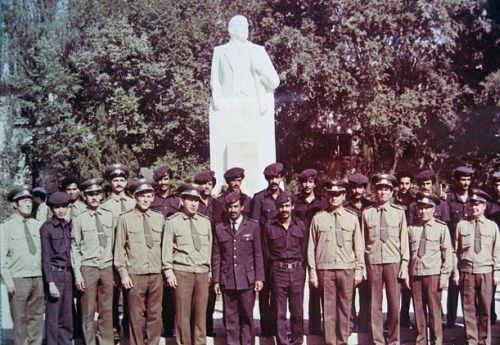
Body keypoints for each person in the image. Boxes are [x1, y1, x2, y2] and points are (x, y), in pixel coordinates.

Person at [209, 15, 280, 196]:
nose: (244, 28)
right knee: (230, 145)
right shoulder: (220, 51)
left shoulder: (258, 51)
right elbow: (214, 80)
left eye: (246, 25)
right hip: (229, 107)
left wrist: (259, 70)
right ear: (230, 29)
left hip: (252, 107)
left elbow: (274, 81)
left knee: (253, 146)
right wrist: (217, 99)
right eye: (239, 25)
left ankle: (257, 189)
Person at [308, 180, 364, 344]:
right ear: (326, 195)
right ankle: (331, 342)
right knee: (329, 309)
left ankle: (342, 341)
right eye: (331, 194)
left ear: (344, 196)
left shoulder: (352, 218)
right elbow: (311, 248)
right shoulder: (319, 218)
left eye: (337, 194)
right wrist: (313, 273)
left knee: (345, 308)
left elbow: (358, 247)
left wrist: (359, 271)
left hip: (346, 268)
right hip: (325, 269)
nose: (334, 197)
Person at [114, 179, 165, 345]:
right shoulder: (125, 219)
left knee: (155, 313)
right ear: (135, 197)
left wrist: (165, 272)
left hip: (156, 273)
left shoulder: (159, 218)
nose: (145, 199)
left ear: (153, 198)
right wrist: (123, 274)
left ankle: (152, 343)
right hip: (135, 274)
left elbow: (165, 247)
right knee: (135, 315)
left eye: (149, 196)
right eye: (141, 196)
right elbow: (119, 249)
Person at [362, 173, 409, 345]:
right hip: (373, 261)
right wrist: (362, 266)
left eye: (386, 189)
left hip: (393, 261)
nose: (382, 193)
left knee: (394, 303)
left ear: (391, 193)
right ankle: (377, 341)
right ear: (374, 191)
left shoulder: (399, 212)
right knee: (375, 304)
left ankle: (394, 339)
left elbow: (404, 240)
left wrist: (404, 264)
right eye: (380, 189)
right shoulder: (367, 213)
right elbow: (362, 240)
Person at [212, 191, 264, 345]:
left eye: (236, 206)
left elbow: (258, 254)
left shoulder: (253, 226)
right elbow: (217, 256)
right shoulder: (220, 228)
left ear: (242, 207)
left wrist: (259, 278)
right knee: (230, 318)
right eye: (229, 207)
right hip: (227, 279)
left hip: (247, 280)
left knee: (247, 318)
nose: (233, 210)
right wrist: (216, 280)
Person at [163, 184, 212, 345]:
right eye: (190, 200)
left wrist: (209, 270)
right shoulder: (172, 222)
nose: (193, 204)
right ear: (182, 200)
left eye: (196, 200)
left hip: (202, 273)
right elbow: (167, 249)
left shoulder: (205, 222)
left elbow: (209, 247)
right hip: (182, 272)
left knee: (200, 315)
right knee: (183, 315)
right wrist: (169, 272)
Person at [71, 178, 115, 345]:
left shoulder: (109, 216)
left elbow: (115, 243)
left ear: (102, 195)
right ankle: (88, 342)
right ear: (84, 197)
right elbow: (74, 247)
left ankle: (106, 342)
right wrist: (78, 274)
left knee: (107, 310)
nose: (94, 197)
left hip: (106, 267)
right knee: (88, 311)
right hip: (88, 268)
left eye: (97, 194)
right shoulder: (79, 218)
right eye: (90, 194)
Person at [453, 189, 500, 345]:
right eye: (472, 204)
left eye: (478, 205)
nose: (474, 207)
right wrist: (455, 273)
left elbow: (497, 251)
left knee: (485, 309)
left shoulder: (492, 227)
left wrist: (497, 273)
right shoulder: (462, 225)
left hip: (486, 271)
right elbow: (455, 251)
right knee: (469, 309)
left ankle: (484, 339)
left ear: (484, 206)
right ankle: (471, 340)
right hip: (467, 272)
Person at [408, 192, 453, 345]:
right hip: (415, 273)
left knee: (435, 310)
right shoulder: (411, 228)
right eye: (421, 207)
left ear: (434, 209)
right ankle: (420, 340)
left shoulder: (441, 228)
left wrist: (445, 276)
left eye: (427, 208)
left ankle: (436, 340)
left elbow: (448, 252)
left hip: (433, 274)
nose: (423, 211)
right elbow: (406, 253)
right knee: (418, 310)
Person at [0, 186, 44, 345]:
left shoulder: (37, 225)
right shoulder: (6, 227)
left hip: (37, 277)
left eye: (30, 202)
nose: (28, 205)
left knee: (37, 317)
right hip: (18, 278)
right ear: (15, 205)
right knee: (20, 318)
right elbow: (2, 257)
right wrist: (8, 281)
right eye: (24, 202)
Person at [263, 191, 308, 345]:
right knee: (279, 312)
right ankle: (282, 342)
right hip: (278, 271)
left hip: (296, 271)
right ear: (277, 207)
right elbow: (266, 251)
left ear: (293, 206)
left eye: (287, 206)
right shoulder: (270, 226)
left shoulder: (301, 225)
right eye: (281, 206)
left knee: (297, 311)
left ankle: (296, 341)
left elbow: (304, 249)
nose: (284, 209)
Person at [101, 163, 135, 340]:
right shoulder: (105, 206)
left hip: (130, 256)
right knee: (112, 295)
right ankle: (113, 328)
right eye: (115, 180)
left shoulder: (133, 202)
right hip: (112, 255)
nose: (119, 184)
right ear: (110, 183)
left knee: (131, 294)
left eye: (122, 180)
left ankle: (128, 326)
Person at [250, 162, 284, 337]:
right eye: (270, 178)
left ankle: (280, 328)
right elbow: (255, 227)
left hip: (281, 253)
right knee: (264, 293)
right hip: (264, 253)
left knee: (280, 293)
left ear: (281, 178)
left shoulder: (287, 198)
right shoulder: (259, 199)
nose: (274, 181)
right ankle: (266, 329)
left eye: (276, 177)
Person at [293, 168, 326, 335]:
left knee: (316, 287)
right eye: (304, 182)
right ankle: (296, 327)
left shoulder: (323, 202)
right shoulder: (295, 202)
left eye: (310, 182)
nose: (307, 185)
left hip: (318, 248)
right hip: (298, 249)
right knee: (297, 289)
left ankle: (315, 326)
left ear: (315, 183)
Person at [150, 165, 180, 337]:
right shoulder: (152, 200)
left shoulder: (177, 201)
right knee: (157, 291)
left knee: (172, 291)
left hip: (173, 249)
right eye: (160, 179)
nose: (163, 182)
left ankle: (170, 327)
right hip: (155, 247)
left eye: (166, 179)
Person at [40, 192, 73, 345]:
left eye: (64, 207)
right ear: (51, 209)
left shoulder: (68, 226)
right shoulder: (47, 228)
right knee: (53, 319)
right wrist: (50, 282)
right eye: (57, 207)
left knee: (67, 318)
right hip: (55, 274)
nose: (61, 210)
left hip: (68, 275)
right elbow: (45, 257)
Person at [446, 166, 474, 328]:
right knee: (453, 283)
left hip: (469, 248)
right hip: (453, 248)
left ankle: (469, 320)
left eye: (468, 180)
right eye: (463, 180)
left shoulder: (474, 199)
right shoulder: (449, 200)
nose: (465, 183)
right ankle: (450, 319)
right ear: (456, 181)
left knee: (470, 286)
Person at [343, 173, 372, 332]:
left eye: (360, 187)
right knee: (349, 290)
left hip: (367, 253)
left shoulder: (370, 206)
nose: (357, 190)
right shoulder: (345, 207)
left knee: (367, 291)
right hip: (350, 253)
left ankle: (365, 321)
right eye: (354, 187)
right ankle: (350, 321)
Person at [194, 170, 218, 337]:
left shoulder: (219, 205)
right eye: (204, 183)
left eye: (210, 183)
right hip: (197, 251)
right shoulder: (193, 204)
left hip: (213, 251)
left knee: (210, 295)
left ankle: (208, 327)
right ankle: (195, 327)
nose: (207, 186)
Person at [487, 171, 500, 324]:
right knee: (491, 284)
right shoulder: (490, 205)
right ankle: (489, 315)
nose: (498, 187)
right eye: (496, 184)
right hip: (493, 248)